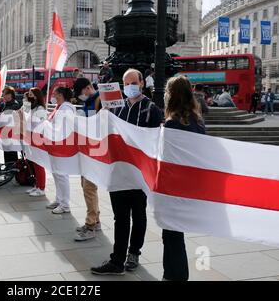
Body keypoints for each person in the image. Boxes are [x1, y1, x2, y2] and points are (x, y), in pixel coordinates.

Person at [91, 69, 162, 276]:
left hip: (138, 173)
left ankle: (134, 253)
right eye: (126, 83)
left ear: (141, 83)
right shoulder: (117, 107)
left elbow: (155, 140)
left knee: (138, 216)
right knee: (120, 217)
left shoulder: (151, 108)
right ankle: (117, 260)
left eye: (133, 82)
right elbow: (105, 133)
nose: (129, 86)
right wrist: (102, 114)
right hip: (119, 171)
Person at [162, 76, 206, 281]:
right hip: (191, 184)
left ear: (170, 96)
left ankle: (176, 275)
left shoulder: (172, 123)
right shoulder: (197, 120)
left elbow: (167, 158)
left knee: (171, 234)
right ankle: (171, 274)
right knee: (173, 233)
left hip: (175, 186)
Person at [73, 77, 102, 242]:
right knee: (86, 186)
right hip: (87, 149)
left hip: (95, 151)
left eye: (80, 93)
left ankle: (90, 225)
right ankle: (95, 220)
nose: (80, 96)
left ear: (87, 88)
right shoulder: (89, 102)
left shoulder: (99, 101)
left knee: (89, 188)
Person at [46, 87, 76, 214]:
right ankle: (59, 199)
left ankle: (65, 205)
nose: (53, 96)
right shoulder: (59, 107)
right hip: (54, 144)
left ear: (61, 95)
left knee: (62, 174)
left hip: (62, 145)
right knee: (56, 173)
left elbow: (65, 127)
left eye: (55, 94)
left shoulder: (67, 108)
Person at [24, 88, 47, 197]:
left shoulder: (40, 108)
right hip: (30, 135)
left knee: (39, 163)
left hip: (37, 137)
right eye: (28, 94)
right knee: (33, 161)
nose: (29, 96)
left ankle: (41, 188)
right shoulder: (32, 107)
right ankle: (37, 185)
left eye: (31, 94)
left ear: (36, 96)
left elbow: (40, 123)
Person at [0, 87, 22, 164]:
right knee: (6, 150)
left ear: (10, 95)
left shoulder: (15, 104)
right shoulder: (4, 104)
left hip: (12, 132)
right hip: (5, 132)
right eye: (3, 95)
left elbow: (10, 113)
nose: (3, 96)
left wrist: (2, 114)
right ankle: (8, 167)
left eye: (4, 94)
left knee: (12, 151)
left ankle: (13, 168)